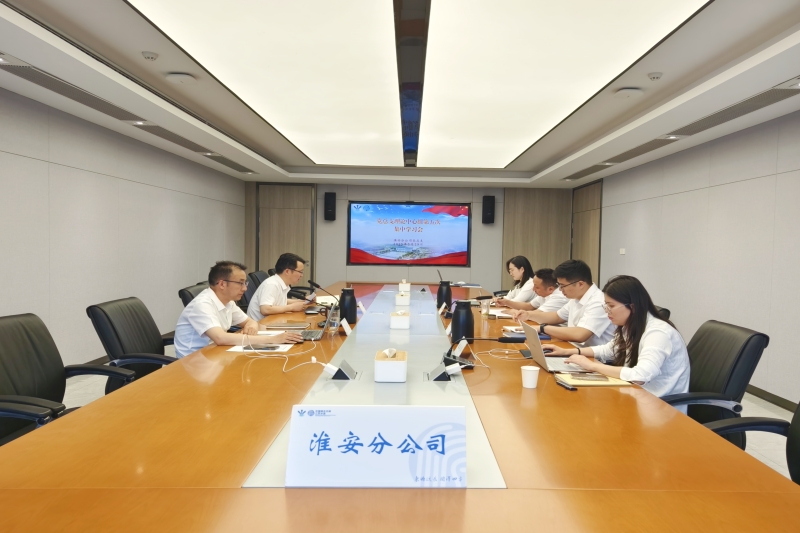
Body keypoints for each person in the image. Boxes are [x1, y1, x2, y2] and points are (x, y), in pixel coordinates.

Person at [542, 275, 690, 401]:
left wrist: (593, 366)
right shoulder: (631, 325)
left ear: (632, 307)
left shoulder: (658, 333)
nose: (607, 311)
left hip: (660, 405)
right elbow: (610, 350)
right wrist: (568, 352)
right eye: (606, 306)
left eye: (611, 306)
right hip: (636, 395)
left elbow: (640, 376)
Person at [174, 261, 303, 358]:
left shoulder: (228, 302)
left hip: (216, 353)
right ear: (222, 284)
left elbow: (249, 321)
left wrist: (251, 326)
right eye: (240, 283)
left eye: (245, 283)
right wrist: (273, 339)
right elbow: (220, 338)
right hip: (195, 361)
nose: (245, 288)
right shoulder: (202, 304)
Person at [510, 259, 614, 346]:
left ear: (580, 284)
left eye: (563, 286)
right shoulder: (576, 298)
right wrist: (528, 315)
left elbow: (580, 335)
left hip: (594, 358)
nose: (560, 289)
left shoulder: (598, 302)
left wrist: (543, 328)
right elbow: (557, 316)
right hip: (575, 349)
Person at [248, 253, 314, 321]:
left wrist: (304, 301)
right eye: (300, 272)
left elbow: (281, 301)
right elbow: (265, 309)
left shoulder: (280, 283)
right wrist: (291, 307)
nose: (301, 275)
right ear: (287, 271)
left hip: (273, 321)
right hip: (260, 325)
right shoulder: (272, 284)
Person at [499, 268, 568, 312]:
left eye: (537, 287)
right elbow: (529, 306)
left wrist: (515, 312)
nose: (533, 289)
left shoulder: (558, 297)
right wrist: (506, 302)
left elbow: (539, 314)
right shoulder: (544, 294)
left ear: (550, 289)